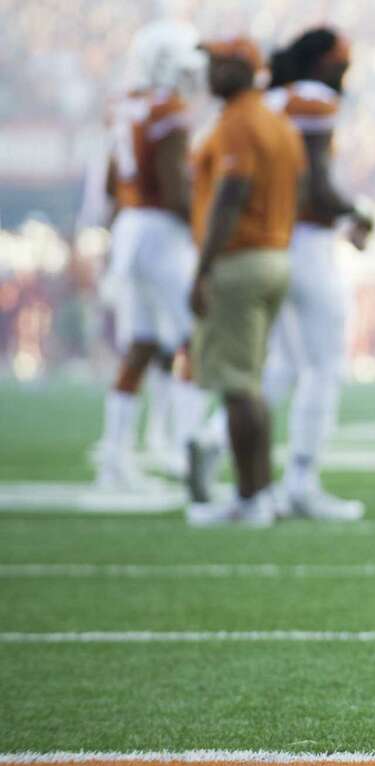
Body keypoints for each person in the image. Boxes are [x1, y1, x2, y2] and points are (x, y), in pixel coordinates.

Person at [185, 36, 306, 527]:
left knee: (237, 387)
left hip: (239, 258)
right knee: (249, 385)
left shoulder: (237, 120)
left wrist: (204, 266)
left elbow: (231, 191)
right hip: (275, 254)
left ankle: (250, 497)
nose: (209, 72)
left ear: (242, 68)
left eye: (218, 63)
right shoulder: (278, 121)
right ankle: (262, 493)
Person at [254, 27, 374, 520]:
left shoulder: (270, 99)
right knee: (323, 367)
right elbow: (318, 185)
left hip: (269, 242)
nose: (345, 70)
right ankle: (300, 480)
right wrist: (358, 212)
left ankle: (213, 443)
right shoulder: (314, 101)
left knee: (282, 366)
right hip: (306, 245)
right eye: (342, 61)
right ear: (323, 60)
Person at [94, 20, 207, 489]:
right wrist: (204, 231)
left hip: (130, 227)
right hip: (160, 229)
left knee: (141, 342)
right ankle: (185, 450)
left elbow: (108, 183)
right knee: (192, 339)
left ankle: (114, 456)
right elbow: (176, 189)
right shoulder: (169, 110)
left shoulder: (125, 105)